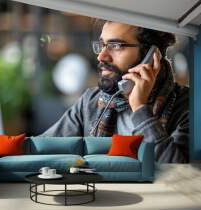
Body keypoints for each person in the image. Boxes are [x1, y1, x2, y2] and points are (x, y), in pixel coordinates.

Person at [40, 21, 189, 163]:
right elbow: (41, 148)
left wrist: (140, 109)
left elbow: (179, 174)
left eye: (115, 45)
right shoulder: (91, 102)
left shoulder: (189, 105)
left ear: (150, 56)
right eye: (102, 45)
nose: (101, 56)